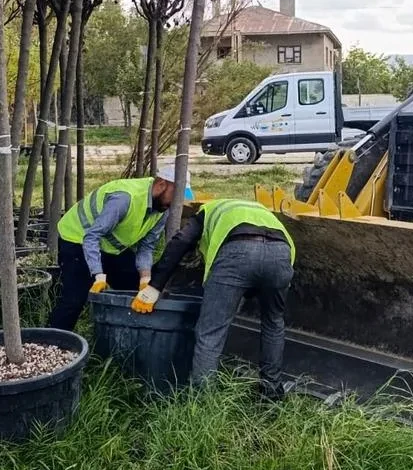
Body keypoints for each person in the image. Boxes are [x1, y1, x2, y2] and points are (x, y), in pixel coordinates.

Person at [131, 198, 295, 397]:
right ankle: (271, 392)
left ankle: (203, 400)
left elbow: (181, 241)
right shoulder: (260, 211)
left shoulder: (206, 211)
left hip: (237, 252)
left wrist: (155, 286)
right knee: (273, 322)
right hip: (281, 254)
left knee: (210, 332)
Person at [48, 165, 190, 332]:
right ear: (161, 184)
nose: (176, 203)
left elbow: (147, 246)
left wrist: (145, 279)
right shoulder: (124, 199)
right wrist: (98, 274)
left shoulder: (162, 209)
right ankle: (52, 340)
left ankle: (127, 333)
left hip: (109, 247)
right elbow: (91, 237)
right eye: (175, 195)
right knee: (74, 298)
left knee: (136, 285)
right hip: (77, 238)